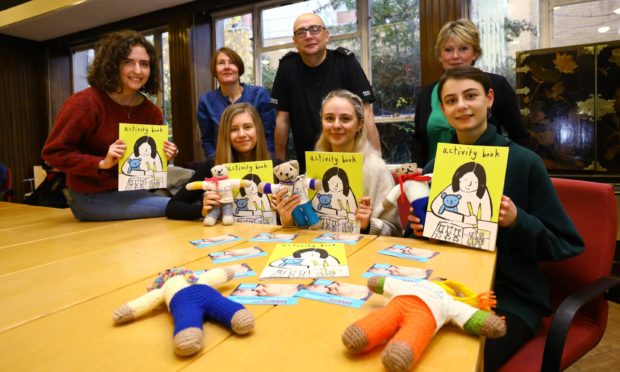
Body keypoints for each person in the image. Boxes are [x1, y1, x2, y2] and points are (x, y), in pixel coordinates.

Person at [407, 66, 584, 370]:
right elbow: (425, 242)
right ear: (443, 110)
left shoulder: (524, 162)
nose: (461, 105)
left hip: (510, 297)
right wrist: (418, 228)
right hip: (448, 287)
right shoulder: (437, 164)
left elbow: (566, 244)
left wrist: (518, 220)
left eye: (470, 96)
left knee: (460, 364)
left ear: (489, 99)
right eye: (451, 100)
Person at [41, 30, 178, 221]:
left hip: (135, 193)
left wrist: (164, 156)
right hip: (89, 197)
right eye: (128, 62)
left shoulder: (152, 112)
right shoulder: (85, 103)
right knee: (178, 207)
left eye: (144, 64)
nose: (138, 70)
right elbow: (53, 153)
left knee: (184, 202)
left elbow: (146, 167)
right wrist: (100, 163)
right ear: (113, 65)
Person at [275, 90, 401, 237]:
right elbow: (305, 224)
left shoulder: (376, 168)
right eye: (329, 118)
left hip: (359, 254)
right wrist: (287, 218)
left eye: (345, 119)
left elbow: (395, 230)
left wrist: (367, 225)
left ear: (359, 124)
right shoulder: (316, 165)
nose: (336, 125)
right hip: (318, 251)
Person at [411, 19, 530, 167]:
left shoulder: (498, 85)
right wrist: (419, 174)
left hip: (489, 177)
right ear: (440, 56)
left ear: (475, 53)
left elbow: (519, 136)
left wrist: (515, 172)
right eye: (448, 50)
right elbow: (418, 140)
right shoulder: (427, 93)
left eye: (463, 48)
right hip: (435, 179)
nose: (455, 56)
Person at [271, 12, 381, 171]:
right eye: (301, 32)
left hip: (350, 160)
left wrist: (377, 163)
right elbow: (282, 119)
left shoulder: (345, 62)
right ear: (295, 41)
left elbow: (366, 112)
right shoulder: (287, 67)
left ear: (326, 35)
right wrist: (279, 165)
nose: (308, 36)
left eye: (314, 29)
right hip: (307, 162)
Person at [166, 103, 272, 220]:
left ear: (258, 130)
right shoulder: (214, 167)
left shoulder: (276, 167)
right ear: (225, 135)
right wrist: (202, 210)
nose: (242, 134)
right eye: (234, 129)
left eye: (247, 127)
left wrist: (282, 212)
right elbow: (173, 207)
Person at [197, 47, 276, 160]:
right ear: (214, 71)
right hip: (223, 167)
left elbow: (269, 135)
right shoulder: (206, 102)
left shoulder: (260, 95)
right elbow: (207, 140)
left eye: (232, 63)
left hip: (259, 163)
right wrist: (218, 166)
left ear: (239, 68)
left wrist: (265, 164)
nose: (227, 67)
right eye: (221, 63)